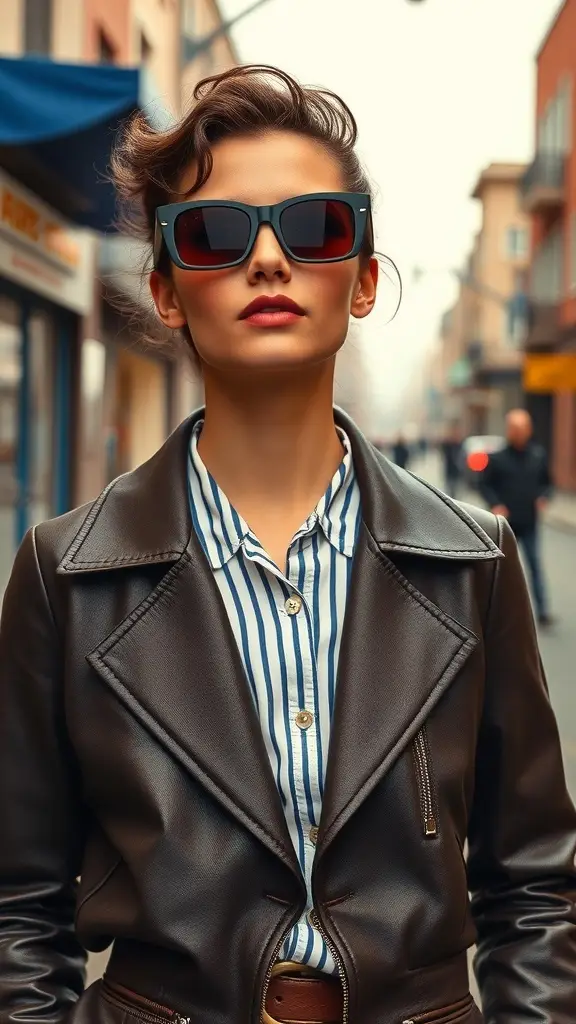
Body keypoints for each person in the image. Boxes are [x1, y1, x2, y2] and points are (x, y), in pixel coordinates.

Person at [1, 66, 575, 1024]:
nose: (268, 259)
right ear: (167, 291)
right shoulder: (66, 574)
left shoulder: (475, 561)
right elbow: (18, 909)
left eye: (314, 227)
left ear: (363, 279)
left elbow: (536, 889)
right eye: (215, 235)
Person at [480, 408, 553, 627]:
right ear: (508, 430)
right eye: (514, 428)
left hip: (529, 521)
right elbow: (484, 484)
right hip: (505, 525)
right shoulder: (497, 458)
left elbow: (548, 483)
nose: (519, 432)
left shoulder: (538, 456)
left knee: (535, 565)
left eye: (523, 427)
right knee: (502, 570)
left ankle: (543, 611)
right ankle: (497, 615)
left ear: (529, 430)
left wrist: (543, 497)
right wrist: (495, 504)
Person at [440, 425, 463, 498]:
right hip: (449, 470)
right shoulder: (448, 445)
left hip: (457, 471)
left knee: (456, 489)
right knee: (450, 488)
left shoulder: (460, 445)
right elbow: (443, 449)